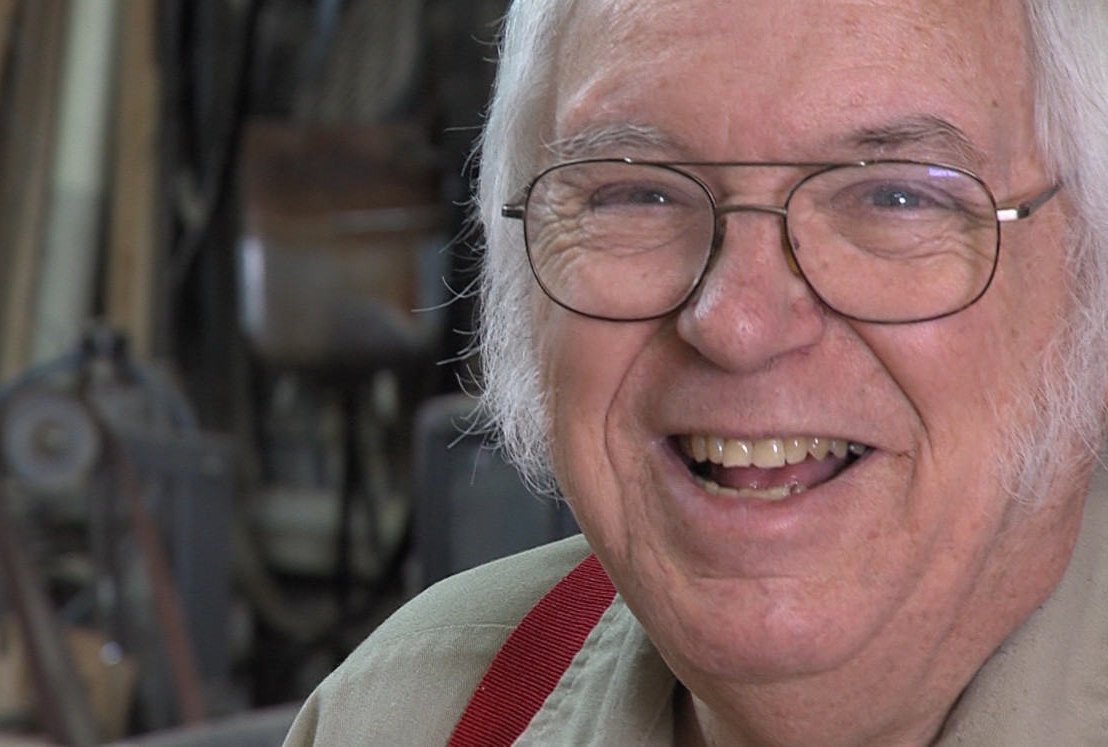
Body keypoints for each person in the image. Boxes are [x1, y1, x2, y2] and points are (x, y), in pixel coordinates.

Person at [284, 0, 1108, 743]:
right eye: (637, 196)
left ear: (1091, 284)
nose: (736, 324)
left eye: (896, 198)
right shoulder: (412, 720)